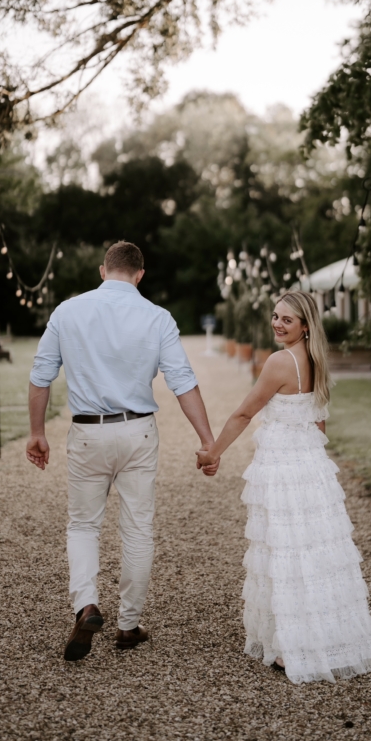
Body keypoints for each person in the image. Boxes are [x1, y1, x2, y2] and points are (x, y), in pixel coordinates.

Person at [26, 240, 219, 661]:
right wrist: (207, 441)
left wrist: (37, 433)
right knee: (137, 529)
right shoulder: (158, 317)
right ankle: (128, 626)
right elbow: (182, 380)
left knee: (83, 526)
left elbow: (41, 376)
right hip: (138, 434)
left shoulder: (67, 311)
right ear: (140, 275)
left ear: (102, 271)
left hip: (88, 433)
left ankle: (87, 605)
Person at [196, 290, 371, 685]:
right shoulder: (316, 361)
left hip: (282, 465)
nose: (277, 324)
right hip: (311, 463)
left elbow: (245, 412)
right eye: (275, 316)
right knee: (314, 550)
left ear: (304, 326)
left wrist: (213, 452)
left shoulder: (279, 361)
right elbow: (319, 421)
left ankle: (290, 646)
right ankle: (322, 637)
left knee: (285, 549)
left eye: (287, 320)